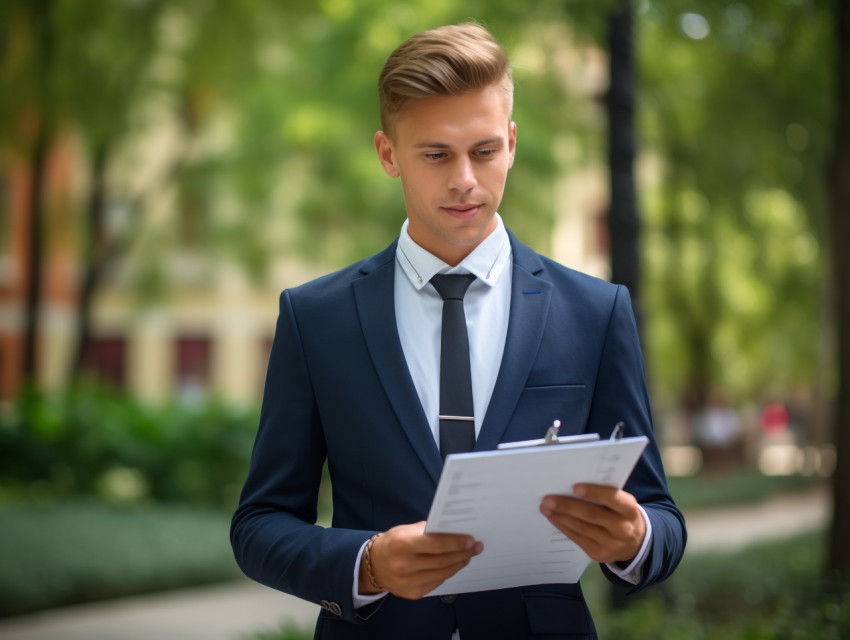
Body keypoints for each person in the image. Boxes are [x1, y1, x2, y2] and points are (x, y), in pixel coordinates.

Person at [231, 22, 686, 640]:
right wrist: (366, 563)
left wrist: (636, 538)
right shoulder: (316, 319)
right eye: (437, 154)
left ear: (513, 143)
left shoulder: (595, 311)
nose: (465, 179)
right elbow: (259, 525)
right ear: (388, 154)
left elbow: (661, 517)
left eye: (485, 150)